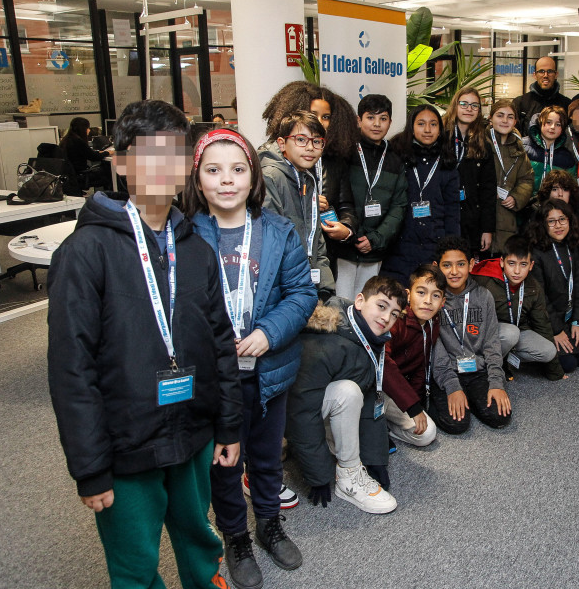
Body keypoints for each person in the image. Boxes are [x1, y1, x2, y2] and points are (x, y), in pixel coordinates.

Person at [46, 100, 242, 588]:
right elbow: (72, 368)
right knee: (134, 561)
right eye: (147, 154)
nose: (162, 167)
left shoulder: (194, 244)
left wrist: (229, 425)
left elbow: (221, 339)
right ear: (119, 161)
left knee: (199, 535)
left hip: (193, 430)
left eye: (174, 154)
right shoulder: (86, 252)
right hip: (125, 444)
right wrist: (89, 467)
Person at [184, 128, 318, 587]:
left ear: (253, 176)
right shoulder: (183, 235)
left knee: (265, 457)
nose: (227, 180)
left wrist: (268, 331)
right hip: (214, 378)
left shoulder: (278, 231)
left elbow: (302, 293)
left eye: (238, 170)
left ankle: (269, 524)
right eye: (214, 170)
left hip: (268, 370)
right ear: (197, 179)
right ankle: (235, 537)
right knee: (224, 463)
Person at [286, 276, 408, 514]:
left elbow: (372, 399)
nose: (386, 318)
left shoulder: (369, 338)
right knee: (348, 392)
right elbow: (300, 409)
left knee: (356, 392)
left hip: (316, 409)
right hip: (287, 415)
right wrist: (318, 474)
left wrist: (376, 458)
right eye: (381, 306)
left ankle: (346, 456)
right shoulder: (326, 343)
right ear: (360, 301)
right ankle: (349, 477)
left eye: (394, 313)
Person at [260, 81, 360, 271]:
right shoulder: (273, 171)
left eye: (327, 117)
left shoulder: (335, 160)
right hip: (289, 266)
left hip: (322, 256)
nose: (321, 122)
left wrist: (346, 228)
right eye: (314, 115)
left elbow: (347, 204)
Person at [430, 235, 511, 434]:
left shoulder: (484, 296)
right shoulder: (433, 300)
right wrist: (452, 387)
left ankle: (470, 396)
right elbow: (436, 350)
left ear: (471, 265)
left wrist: (496, 383)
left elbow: (492, 343)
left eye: (460, 264)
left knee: (499, 417)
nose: (454, 271)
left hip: (477, 370)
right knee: (456, 424)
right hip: (446, 370)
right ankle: (433, 399)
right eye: (447, 265)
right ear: (436, 267)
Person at [333, 94, 408, 299]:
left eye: (383, 119)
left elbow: (398, 206)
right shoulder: (345, 151)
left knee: (366, 304)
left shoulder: (395, 158)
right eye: (370, 118)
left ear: (390, 122)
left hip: (374, 248)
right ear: (359, 120)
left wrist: (375, 239)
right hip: (344, 245)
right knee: (341, 303)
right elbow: (335, 196)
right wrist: (351, 233)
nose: (377, 124)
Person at [259, 112, 335, 299]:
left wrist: (325, 287)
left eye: (317, 141)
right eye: (301, 139)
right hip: (283, 288)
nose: (310, 147)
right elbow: (273, 242)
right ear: (282, 143)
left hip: (306, 285)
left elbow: (316, 239)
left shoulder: (306, 177)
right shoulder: (270, 177)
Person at [381, 104, 460, 282]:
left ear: (440, 129)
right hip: (400, 243)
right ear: (411, 127)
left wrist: (452, 247)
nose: (427, 130)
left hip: (435, 242)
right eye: (421, 124)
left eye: (433, 124)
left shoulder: (447, 160)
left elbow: (452, 209)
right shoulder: (397, 155)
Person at [471, 235, 564, 381]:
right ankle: (485, 368)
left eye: (523, 265)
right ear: (502, 262)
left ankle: (504, 359)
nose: (517, 271)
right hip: (486, 335)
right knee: (511, 333)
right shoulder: (484, 281)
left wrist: (556, 372)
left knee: (549, 351)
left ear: (531, 265)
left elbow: (543, 324)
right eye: (512, 263)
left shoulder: (533, 287)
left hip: (515, 334)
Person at [381, 264, 446, 447]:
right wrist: (412, 406)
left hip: (397, 394)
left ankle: (388, 425)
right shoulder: (395, 319)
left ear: (443, 302)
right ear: (408, 295)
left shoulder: (432, 323)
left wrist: (417, 403)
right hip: (374, 388)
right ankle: (375, 425)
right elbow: (382, 365)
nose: (428, 301)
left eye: (435, 295)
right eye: (421, 292)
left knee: (427, 434)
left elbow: (420, 365)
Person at [528, 199, 579, 373]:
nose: (558, 225)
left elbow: (577, 286)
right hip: (546, 320)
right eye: (551, 221)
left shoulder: (571, 246)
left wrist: (578, 322)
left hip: (567, 316)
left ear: (569, 221)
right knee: (568, 365)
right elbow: (541, 299)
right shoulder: (537, 253)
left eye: (562, 219)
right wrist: (556, 331)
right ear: (543, 225)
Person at [443, 87, 495, 259]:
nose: (469, 109)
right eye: (464, 104)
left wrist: (487, 229)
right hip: (443, 213)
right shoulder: (441, 137)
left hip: (471, 218)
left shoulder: (482, 142)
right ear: (455, 106)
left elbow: (488, 189)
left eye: (474, 105)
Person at [486, 99, 534, 254]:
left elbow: (526, 178)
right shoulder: (480, 142)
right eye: (500, 115)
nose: (505, 120)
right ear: (491, 118)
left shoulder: (518, 147)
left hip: (506, 216)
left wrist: (516, 197)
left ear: (515, 121)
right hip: (483, 214)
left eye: (510, 116)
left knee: (502, 261)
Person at [522, 105, 577, 197]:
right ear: (540, 123)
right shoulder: (522, 146)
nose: (552, 127)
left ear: (562, 129)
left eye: (558, 124)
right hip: (524, 204)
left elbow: (570, 187)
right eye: (548, 122)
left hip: (552, 206)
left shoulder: (566, 157)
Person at [512, 56, 571, 136]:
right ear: (535, 75)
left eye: (550, 71)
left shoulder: (566, 105)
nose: (545, 75)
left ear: (556, 74)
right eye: (541, 71)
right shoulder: (520, 103)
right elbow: (513, 133)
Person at [59, 116, 113, 192]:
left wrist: (99, 152)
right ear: (83, 129)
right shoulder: (78, 141)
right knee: (110, 172)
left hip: (73, 174)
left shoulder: (66, 140)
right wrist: (108, 152)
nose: (89, 130)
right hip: (81, 175)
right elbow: (94, 157)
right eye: (88, 128)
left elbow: (87, 153)